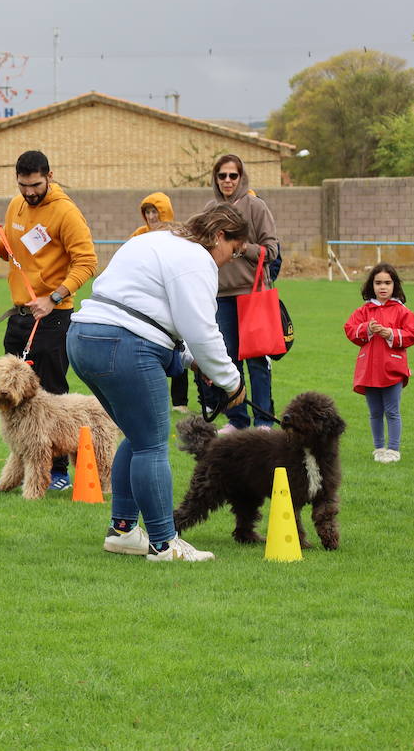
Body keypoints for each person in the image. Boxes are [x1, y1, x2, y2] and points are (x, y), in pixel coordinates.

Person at [68, 205, 250, 562]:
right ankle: (164, 544)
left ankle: (122, 531)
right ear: (218, 236)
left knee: (136, 437)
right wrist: (232, 382)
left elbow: (150, 313)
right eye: (235, 249)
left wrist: (189, 359)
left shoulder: (157, 240)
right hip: (124, 345)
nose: (232, 259)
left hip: (83, 336)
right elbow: (201, 330)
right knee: (151, 445)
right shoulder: (197, 260)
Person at [0, 150, 97, 490]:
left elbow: (87, 262)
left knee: (50, 392)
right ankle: (22, 465)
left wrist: (55, 297)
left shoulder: (66, 212)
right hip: (19, 315)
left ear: (49, 176)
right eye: (23, 185)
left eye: (35, 185)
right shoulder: (15, 206)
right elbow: (15, 253)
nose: (29, 192)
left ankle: (57, 470)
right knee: (12, 393)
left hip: (53, 315)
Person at [205, 154, 280, 433]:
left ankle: (263, 421)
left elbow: (271, 251)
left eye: (232, 176)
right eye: (222, 176)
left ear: (241, 177)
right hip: (221, 296)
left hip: (252, 295)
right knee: (228, 361)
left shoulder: (256, 206)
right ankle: (237, 420)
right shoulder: (211, 209)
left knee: (258, 361)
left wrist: (241, 247)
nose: (227, 181)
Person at [343, 263, 414, 465]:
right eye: (378, 283)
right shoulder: (364, 310)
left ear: (394, 285)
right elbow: (350, 329)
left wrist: (391, 334)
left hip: (392, 369)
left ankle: (393, 450)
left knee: (392, 411)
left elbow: (413, 333)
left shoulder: (402, 311)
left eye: (387, 282)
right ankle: (379, 448)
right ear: (372, 285)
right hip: (368, 370)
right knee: (375, 412)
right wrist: (367, 328)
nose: (382, 287)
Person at [130, 193, 190, 414]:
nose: (151, 216)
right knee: (146, 347)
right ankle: (150, 397)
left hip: (171, 298)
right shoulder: (138, 236)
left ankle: (180, 401)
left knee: (178, 345)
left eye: (155, 211)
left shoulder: (177, 236)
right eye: (148, 212)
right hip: (146, 300)